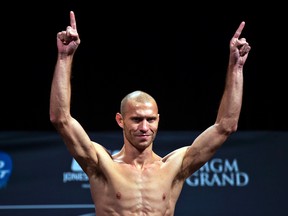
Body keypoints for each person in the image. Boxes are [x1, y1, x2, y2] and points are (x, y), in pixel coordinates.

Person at [50, 11, 251, 216]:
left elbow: (226, 126)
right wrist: (64, 57)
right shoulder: (102, 165)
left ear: (158, 120)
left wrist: (236, 67)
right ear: (120, 120)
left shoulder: (175, 166)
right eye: (136, 119)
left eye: (150, 119)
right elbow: (61, 119)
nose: (144, 127)